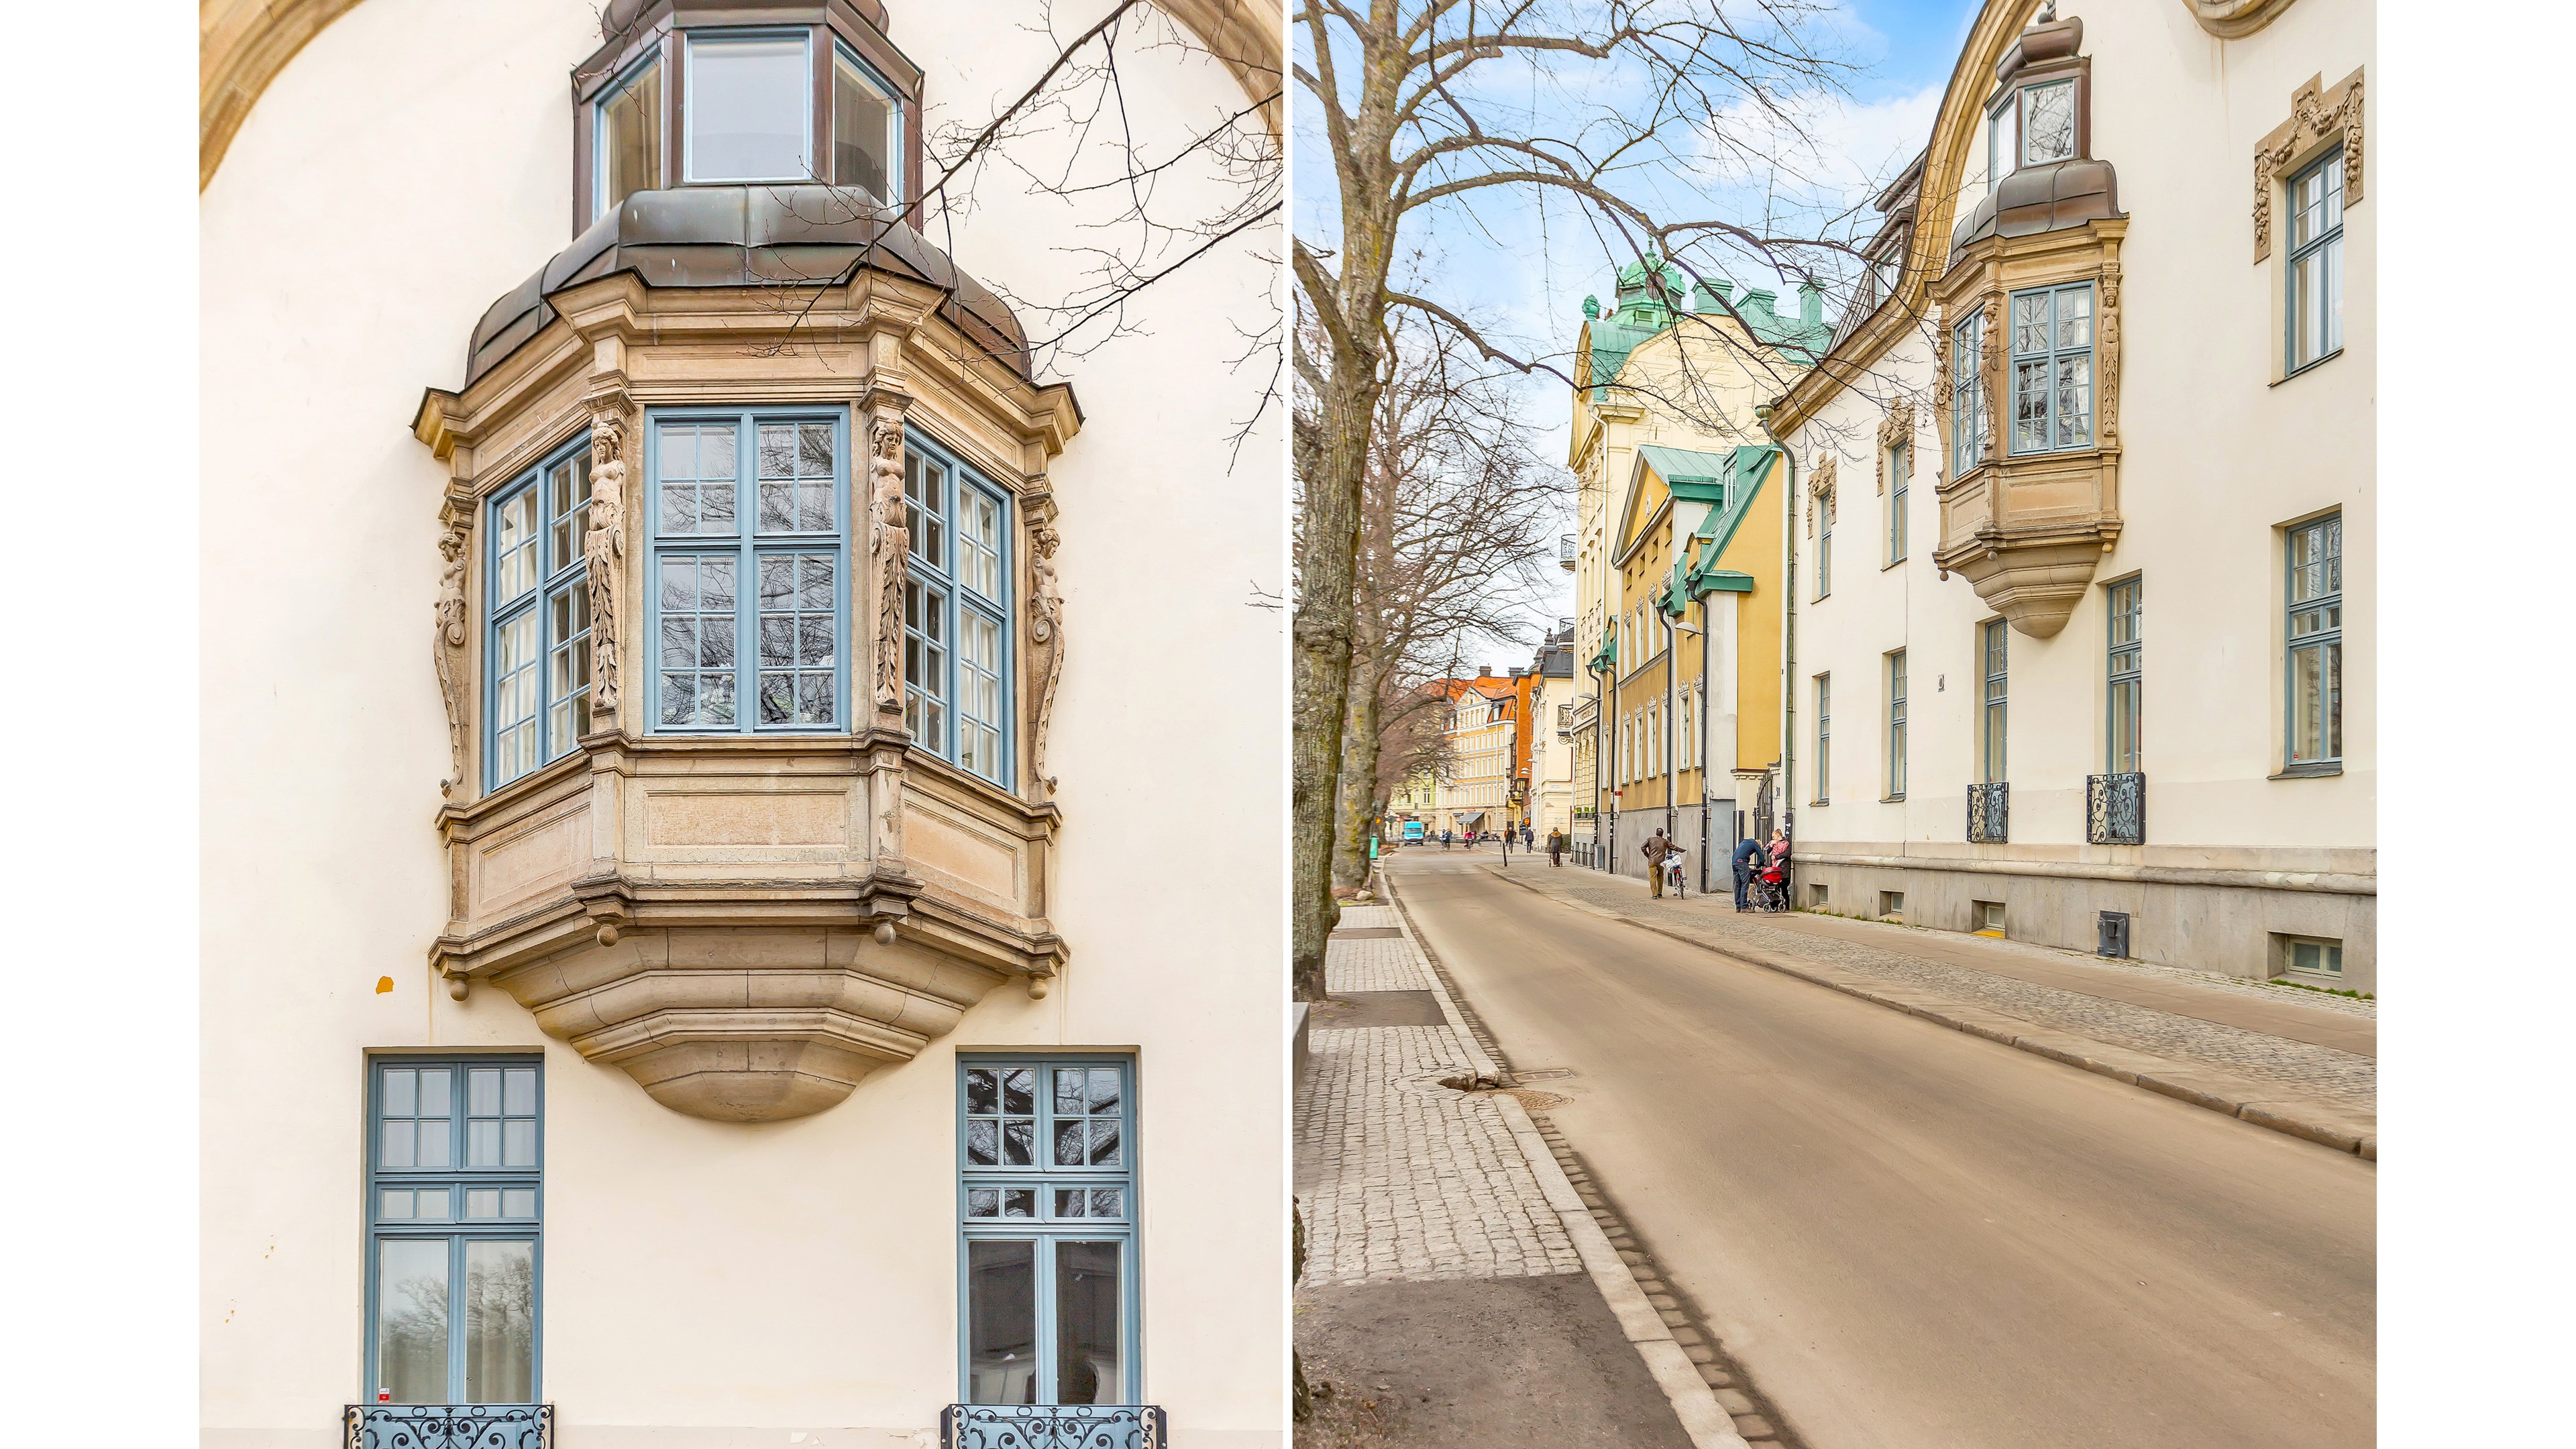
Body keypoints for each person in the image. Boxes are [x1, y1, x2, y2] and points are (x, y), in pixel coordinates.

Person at [1731, 835, 1764, 911]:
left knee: (1738, 885)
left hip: (1734, 863)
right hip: (1742, 863)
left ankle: (1738, 907)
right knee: (1745, 885)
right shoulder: (1755, 844)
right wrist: (1758, 866)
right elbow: (1762, 859)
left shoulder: (1743, 843)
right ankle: (1744, 906)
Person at [1641, 828, 1671, 898]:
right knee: (1660, 877)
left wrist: (1648, 856)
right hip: (1661, 862)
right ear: (1662, 834)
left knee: (1653, 878)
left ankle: (1654, 894)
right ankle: (1659, 892)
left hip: (1652, 861)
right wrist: (1681, 850)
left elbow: (1643, 847)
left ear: (1656, 833)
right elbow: (1673, 847)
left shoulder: (1650, 839)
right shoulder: (1665, 841)